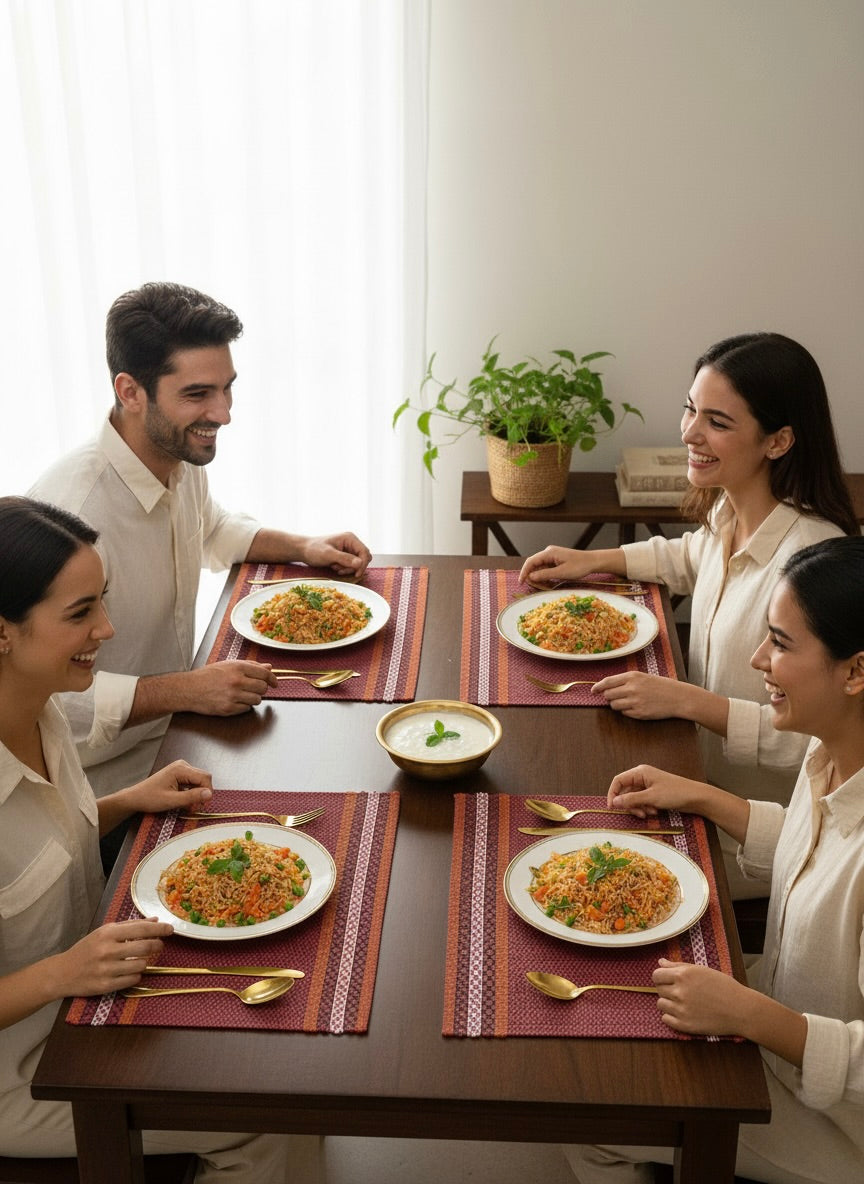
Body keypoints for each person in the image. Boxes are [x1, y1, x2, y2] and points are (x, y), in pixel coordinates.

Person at [0, 497, 320, 1180]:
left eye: (103, 602)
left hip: (94, 984)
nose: (108, 629)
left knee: (289, 1040)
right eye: (80, 613)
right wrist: (63, 973)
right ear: (2, 633)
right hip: (25, 1069)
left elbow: (45, 849)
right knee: (271, 1117)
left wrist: (123, 802)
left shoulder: (40, 707)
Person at [564, 535, 864, 1183]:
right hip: (775, 1013)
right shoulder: (830, 750)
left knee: (591, 1117)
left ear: (856, 672)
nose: (759, 659)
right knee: (606, 1010)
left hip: (840, 1121)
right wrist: (701, 795)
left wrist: (748, 1013)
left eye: (781, 644)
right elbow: (814, 846)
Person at [518, 332, 859, 899]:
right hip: (687, 767)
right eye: (690, 409)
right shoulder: (736, 508)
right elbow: (689, 557)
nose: (689, 434)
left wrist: (687, 701)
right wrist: (591, 559)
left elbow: (817, 743)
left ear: (779, 441)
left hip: (750, 830)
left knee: (560, 859)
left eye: (717, 422)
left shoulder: (806, 562)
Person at [29, 281, 372, 806]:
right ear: (130, 392)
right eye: (197, 394)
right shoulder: (74, 516)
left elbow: (209, 526)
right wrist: (186, 689)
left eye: (226, 387)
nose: (224, 413)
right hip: (99, 790)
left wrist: (306, 543)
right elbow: (39, 694)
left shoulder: (174, 456)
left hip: (181, 739)